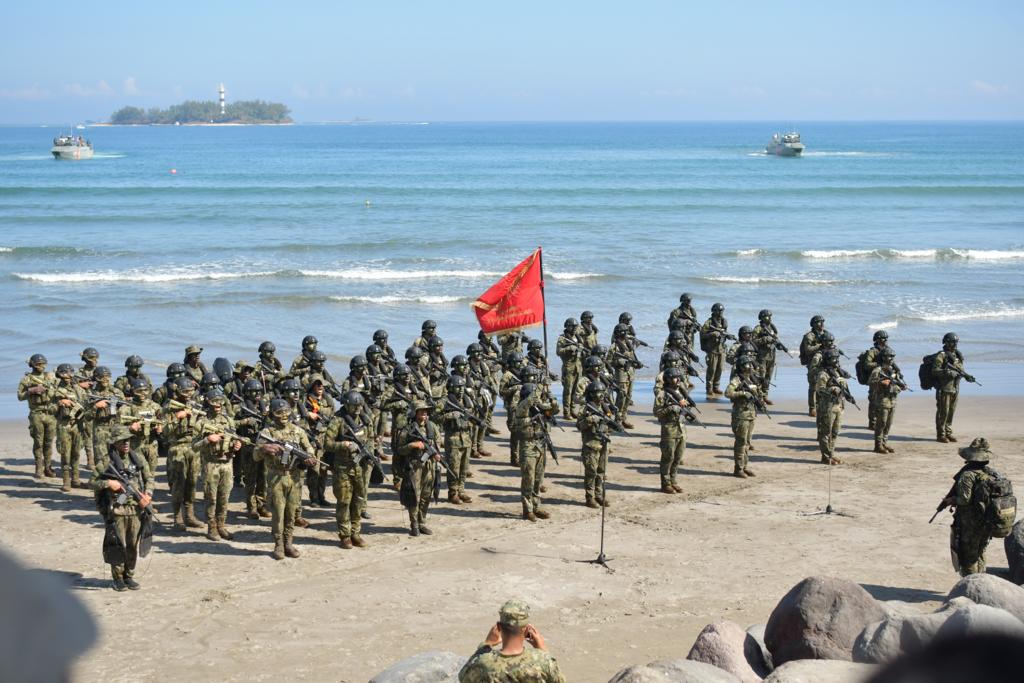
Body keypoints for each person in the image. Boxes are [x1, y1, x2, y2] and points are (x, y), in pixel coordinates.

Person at [91, 425, 153, 591]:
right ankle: (117, 578)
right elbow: (93, 482)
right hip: (117, 508)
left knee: (133, 544)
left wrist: (148, 493)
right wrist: (109, 483)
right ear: (115, 442)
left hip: (136, 510)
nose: (126, 443)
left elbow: (149, 478)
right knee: (118, 545)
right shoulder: (106, 461)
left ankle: (129, 576)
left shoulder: (138, 458)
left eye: (128, 440)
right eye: (122, 440)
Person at [252, 398, 316, 560]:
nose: (283, 416)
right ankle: (278, 544)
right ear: (272, 415)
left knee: (291, 512)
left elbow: (309, 448)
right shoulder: (267, 433)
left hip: (294, 478)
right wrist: (264, 449)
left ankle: (288, 542)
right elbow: (255, 455)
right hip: (276, 478)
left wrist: (310, 457)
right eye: (279, 413)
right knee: (278, 514)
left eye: (286, 412)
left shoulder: (298, 431)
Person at [938, 438, 1010, 576]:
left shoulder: (967, 475)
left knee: (968, 557)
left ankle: (969, 587)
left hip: (970, 523)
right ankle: (981, 581)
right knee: (981, 551)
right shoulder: (991, 473)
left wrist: (951, 500)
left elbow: (964, 499)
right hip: (987, 520)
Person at [458, 600, 566, 683]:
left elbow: (463, 677)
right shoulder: (543, 661)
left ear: (499, 627)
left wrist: (486, 645)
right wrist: (542, 649)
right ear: (526, 629)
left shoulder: (484, 663)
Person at [324, 391, 373, 549]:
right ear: (347, 404)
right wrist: (343, 445)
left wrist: (370, 453)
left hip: (359, 466)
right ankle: (345, 535)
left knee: (358, 500)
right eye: (355, 405)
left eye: (360, 405)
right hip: (342, 467)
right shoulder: (338, 420)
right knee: (344, 501)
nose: (358, 408)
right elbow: (327, 444)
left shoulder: (365, 420)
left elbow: (370, 439)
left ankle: (355, 533)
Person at [195, 389, 242, 541]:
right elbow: (194, 446)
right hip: (211, 464)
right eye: (214, 403)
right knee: (211, 498)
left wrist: (237, 444)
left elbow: (234, 436)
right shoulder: (201, 422)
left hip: (227, 463)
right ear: (208, 403)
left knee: (224, 497)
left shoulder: (228, 420)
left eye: (220, 403)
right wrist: (208, 439)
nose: (218, 406)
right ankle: (211, 527)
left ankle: (221, 525)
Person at [514, 374, 559, 522]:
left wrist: (550, 395)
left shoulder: (538, 408)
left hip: (540, 444)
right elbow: (529, 402)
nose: (538, 399)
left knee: (539, 479)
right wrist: (540, 385)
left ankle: (536, 506)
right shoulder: (522, 407)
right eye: (536, 396)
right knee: (528, 478)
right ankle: (528, 510)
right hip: (528, 446)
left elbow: (554, 409)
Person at [397, 400, 442, 536]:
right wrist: (412, 445)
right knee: (414, 496)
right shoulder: (408, 429)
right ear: (415, 412)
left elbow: (437, 444)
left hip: (429, 466)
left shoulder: (432, 427)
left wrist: (437, 455)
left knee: (426, 495)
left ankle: (422, 522)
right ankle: (414, 524)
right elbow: (399, 450)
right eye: (421, 411)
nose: (424, 414)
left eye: (426, 411)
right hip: (415, 466)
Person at [165, 376, 205, 530]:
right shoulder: (169, 407)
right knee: (178, 484)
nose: (188, 394)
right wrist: (177, 418)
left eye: (191, 391)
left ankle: (189, 515)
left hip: (193, 448)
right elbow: (165, 432)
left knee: (192, 483)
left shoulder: (195, 405)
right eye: (185, 391)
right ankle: (177, 517)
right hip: (178, 449)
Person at [931, 332, 975, 443]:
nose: (955, 344)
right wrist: (949, 373)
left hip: (955, 388)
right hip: (944, 388)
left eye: (956, 342)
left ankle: (948, 432)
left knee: (951, 411)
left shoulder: (957, 355)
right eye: (952, 342)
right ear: (946, 342)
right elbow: (935, 371)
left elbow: (961, 370)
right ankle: (941, 435)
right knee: (943, 412)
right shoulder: (941, 355)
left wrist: (967, 376)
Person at [18, 354, 57, 479]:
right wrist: (31, 391)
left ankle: (48, 467)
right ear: (33, 365)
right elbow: (20, 396)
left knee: (49, 442)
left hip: (50, 414)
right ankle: (38, 468)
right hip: (36, 413)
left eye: (43, 364)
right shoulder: (27, 380)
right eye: (39, 364)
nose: (42, 366)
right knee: (38, 442)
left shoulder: (50, 377)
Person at [576, 381, 614, 507]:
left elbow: (610, 425)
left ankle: (599, 495)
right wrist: (591, 419)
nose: (601, 395)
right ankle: (589, 497)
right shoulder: (585, 408)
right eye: (598, 393)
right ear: (592, 394)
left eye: (602, 392)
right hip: (590, 444)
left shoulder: (605, 407)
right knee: (591, 472)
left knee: (601, 471)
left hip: (603, 443)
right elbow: (580, 426)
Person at [725, 358, 763, 478]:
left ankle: (744, 466)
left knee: (747, 442)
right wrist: (742, 393)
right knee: (741, 442)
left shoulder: (752, 379)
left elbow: (757, 394)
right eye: (747, 364)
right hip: (740, 415)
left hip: (751, 414)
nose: (750, 367)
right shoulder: (736, 380)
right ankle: (738, 468)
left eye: (750, 364)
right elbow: (728, 393)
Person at [441, 375, 475, 505]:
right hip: (453, 438)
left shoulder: (467, 400)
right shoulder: (445, 401)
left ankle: (461, 490)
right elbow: (436, 416)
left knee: (464, 468)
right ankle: (453, 492)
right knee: (453, 468)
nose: (461, 389)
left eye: (462, 386)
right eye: (457, 387)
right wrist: (453, 415)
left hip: (466, 438)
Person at [653, 367, 688, 492]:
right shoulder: (662, 394)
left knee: (678, 457)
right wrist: (670, 408)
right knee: (668, 457)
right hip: (669, 429)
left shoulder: (680, 393)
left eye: (678, 377)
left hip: (681, 429)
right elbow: (656, 412)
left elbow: (686, 405)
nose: (678, 379)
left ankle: (673, 480)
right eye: (674, 377)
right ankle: (665, 483)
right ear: (668, 379)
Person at [814, 349, 848, 465]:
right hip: (828, 407)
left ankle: (831, 454)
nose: (836, 361)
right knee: (825, 432)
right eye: (833, 359)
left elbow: (844, 386)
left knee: (835, 432)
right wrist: (832, 390)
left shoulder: (838, 372)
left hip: (839, 406)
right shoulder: (823, 374)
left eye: (836, 358)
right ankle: (826, 456)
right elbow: (820, 390)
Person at [867, 348, 903, 454]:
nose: (891, 358)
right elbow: (871, 382)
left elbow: (898, 381)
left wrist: (901, 386)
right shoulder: (878, 370)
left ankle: (884, 443)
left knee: (888, 423)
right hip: (882, 400)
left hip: (893, 399)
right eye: (889, 356)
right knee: (881, 423)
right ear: (883, 357)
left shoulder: (894, 370)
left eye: (892, 356)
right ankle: (878, 445)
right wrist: (881, 382)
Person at [859, 330, 890, 430]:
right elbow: (867, 364)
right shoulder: (873, 351)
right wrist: (879, 364)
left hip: (885, 378)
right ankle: (872, 423)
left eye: (886, 338)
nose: (885, 340)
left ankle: (881, 421)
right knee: (873, 401)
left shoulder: (888, 349)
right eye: (883, 338)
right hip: (875, 378)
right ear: (877, 340)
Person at [75, 347, 100, 467]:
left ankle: (98, 458)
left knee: (99, 434)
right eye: (91, 358)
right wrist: (81, 384)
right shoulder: (79, 373)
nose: (94, 360)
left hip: (99, 405)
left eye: (95, 358)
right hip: (86, 406)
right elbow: (70, 385)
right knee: (87, 434)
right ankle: (90, 459)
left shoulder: (100, 371)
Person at [699, 303, 730, 399]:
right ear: (714, 311)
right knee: (711, 370)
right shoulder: (709, 322)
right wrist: (712, 334)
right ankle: (709, 389)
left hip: (721, 349)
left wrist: (727, 335)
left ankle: (716, 387)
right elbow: (703, 334)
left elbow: (725, 333)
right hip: (712, 350)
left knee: (719, 369)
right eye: (719, 311)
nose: (720, 312)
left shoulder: (724, 321)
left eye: (722, 311)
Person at [752, 309, 784, 403]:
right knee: (760, 376)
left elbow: (775, 339)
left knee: (768, 377)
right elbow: (753, 341)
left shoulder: (772, 328)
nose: (769, 318)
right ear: (762, 317)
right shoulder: (758, 328)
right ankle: (759, 397)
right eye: (767, 316)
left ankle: (765, 395)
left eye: (770, 316)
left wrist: (778, 345)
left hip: (771, 355)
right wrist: (765, 339)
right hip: (762, 356)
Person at [556, 317, 584, 419]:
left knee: (575, 390)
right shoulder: (562, 338)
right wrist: (569, 348)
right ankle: (566, 412)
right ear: (568, 327)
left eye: (576, 327)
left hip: (577, 366)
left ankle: (572, 410)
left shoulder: (578, 337)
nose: (575, 329)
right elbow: (558, 352)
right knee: (567, 390)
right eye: (573, 327)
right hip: (568, 367)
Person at [799, 315, 827, 416]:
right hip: (813, 363)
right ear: (814, 324)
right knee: (813, 386)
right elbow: (808, 350)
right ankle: (812, 408)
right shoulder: (809, 336)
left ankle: (820, 405)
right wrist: (819, 345)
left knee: (823, 385)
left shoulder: (826, 334)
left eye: (823, 322)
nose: (822, 324)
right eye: (820, 322)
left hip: (824, 362)